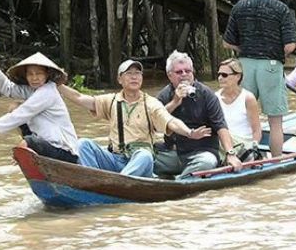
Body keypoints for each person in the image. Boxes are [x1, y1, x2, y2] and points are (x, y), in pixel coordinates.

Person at [58, 59, 210, 177]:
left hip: (138, 160)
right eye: (129, 74)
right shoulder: (111, 100)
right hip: (115, 158)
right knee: (83, 144)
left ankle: (119, 183)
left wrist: (190, 133)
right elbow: (79, 98)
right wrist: (57, 84)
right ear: (120, 79)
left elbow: (171, 121)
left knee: (145, 155)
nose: (134, 77)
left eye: (137, 73)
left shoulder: (150, 103)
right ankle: (92, 180)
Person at [224, 0, 296, 157]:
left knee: (244, 115)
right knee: (275, 121)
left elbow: (227, 42)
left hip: (244, 66)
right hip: (271, 66)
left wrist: (244, 49)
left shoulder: (239, 6)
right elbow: (290, 46)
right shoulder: (281, 9)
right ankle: (276, 162)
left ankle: (240, 155)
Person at [0, 44, 79, 163]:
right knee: (14, 107)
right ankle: (28, 151)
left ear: (47, 74)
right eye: (30, 74)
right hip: (46, 144)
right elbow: (8, 88)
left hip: (64, 151)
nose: (34, 78)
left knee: (28, 140)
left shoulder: (48, 91)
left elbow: (21, 114)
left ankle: (26, 150)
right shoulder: (32, 90)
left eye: (39, 73)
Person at [156, 51, 243, 177]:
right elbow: (154, 123)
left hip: (201, 153)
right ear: (170, 76)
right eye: (179, 72)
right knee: (146, 158)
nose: (184, 75)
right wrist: (175, 101)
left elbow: (221, 126)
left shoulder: (207, 94)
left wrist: (230, 154)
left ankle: (180, 182)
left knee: (207, 162)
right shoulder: (164, 95)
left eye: (188, 71)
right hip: (173, 154)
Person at [215, 58, 262, 159]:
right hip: (223, 141)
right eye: (218, 74)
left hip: (242, 144)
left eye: (224, 75)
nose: (220, 78)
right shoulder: (215, 97)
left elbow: (256, 130)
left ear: (237, 76)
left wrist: (254, 147)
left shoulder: (248, 98)